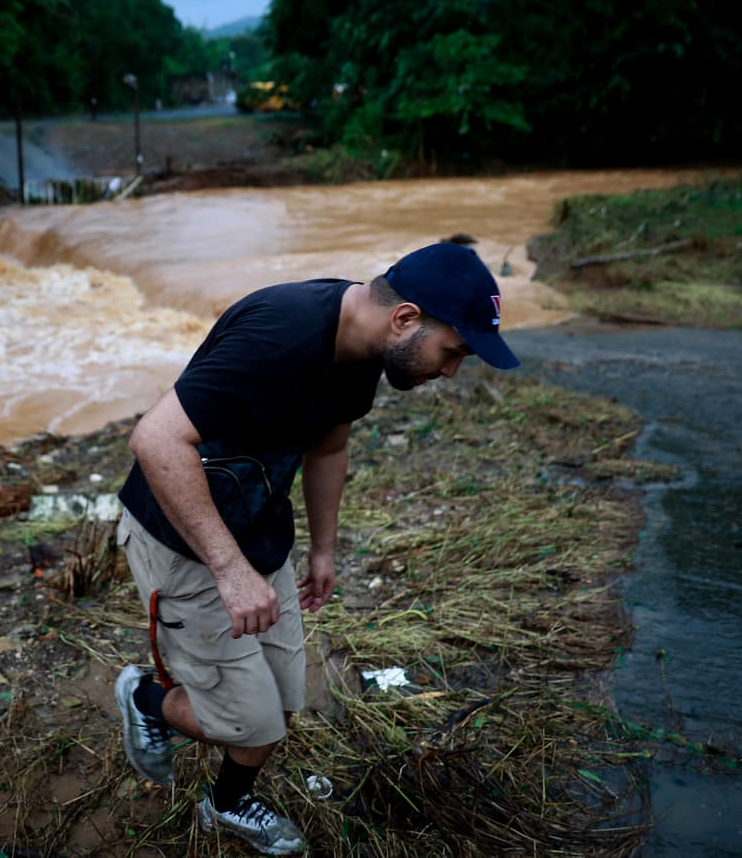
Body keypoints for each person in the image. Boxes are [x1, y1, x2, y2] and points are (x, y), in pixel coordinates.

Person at [113, 242, 520, 855]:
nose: (451, 371)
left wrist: (323, 550)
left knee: (282, 701)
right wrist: (229, 570)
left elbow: (328, 447)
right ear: (406, 319)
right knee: (248, 722)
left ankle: (225, 804)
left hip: (260, 532)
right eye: (453, 352)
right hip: (186, 540)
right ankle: (144, 697)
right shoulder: (280, 335)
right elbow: (156, 439)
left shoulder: (363, 347)